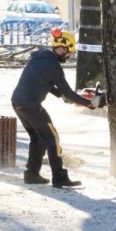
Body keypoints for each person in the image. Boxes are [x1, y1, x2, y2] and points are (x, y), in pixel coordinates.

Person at [11, 28, 104, 188]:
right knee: (52, 138)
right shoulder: (54, 66)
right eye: (69, 52)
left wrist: (61, 96)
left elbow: (46, 82)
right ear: (60, 48)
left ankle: (32, 174)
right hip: (31, 105)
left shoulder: (39, 57)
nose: (69, 56)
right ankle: (59, 177)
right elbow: (68, 91)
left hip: (18, 103)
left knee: (37, 138)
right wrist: (89, 103)